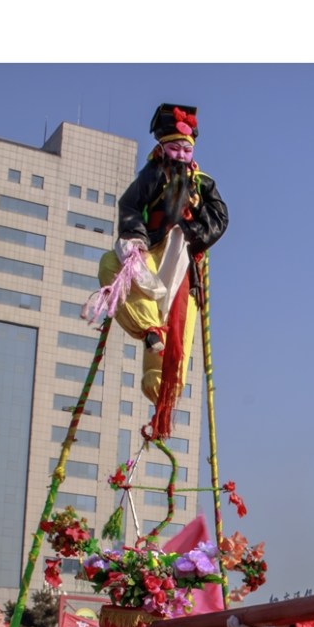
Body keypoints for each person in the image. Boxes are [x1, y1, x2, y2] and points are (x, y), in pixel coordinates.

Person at [94, 103, 228, 419]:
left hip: (183, 260)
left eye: (186, 149)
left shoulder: (202, 183)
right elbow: (130, 206)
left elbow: (220, 218)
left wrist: (194, 227)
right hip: (151, 250)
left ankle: (163, 391)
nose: (181, 155)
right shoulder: (153, 175)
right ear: (163, 148)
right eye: (175, 148)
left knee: (179, 325)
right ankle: (150, 328)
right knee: (112, 268)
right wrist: (135, 239)